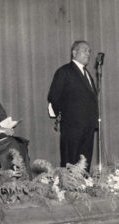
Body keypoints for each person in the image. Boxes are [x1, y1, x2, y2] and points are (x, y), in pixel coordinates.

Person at [47, 41, 98, 172]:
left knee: (84, 163)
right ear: (74, 53)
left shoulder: (87, 74)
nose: (88, 53)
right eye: (85, 50)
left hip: (88, 126)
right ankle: (69, 191)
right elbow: (53, 96)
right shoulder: (64, 71)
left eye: (89, 51)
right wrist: (67, 117)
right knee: (71, 162)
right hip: (72, 127)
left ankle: (82, 189)